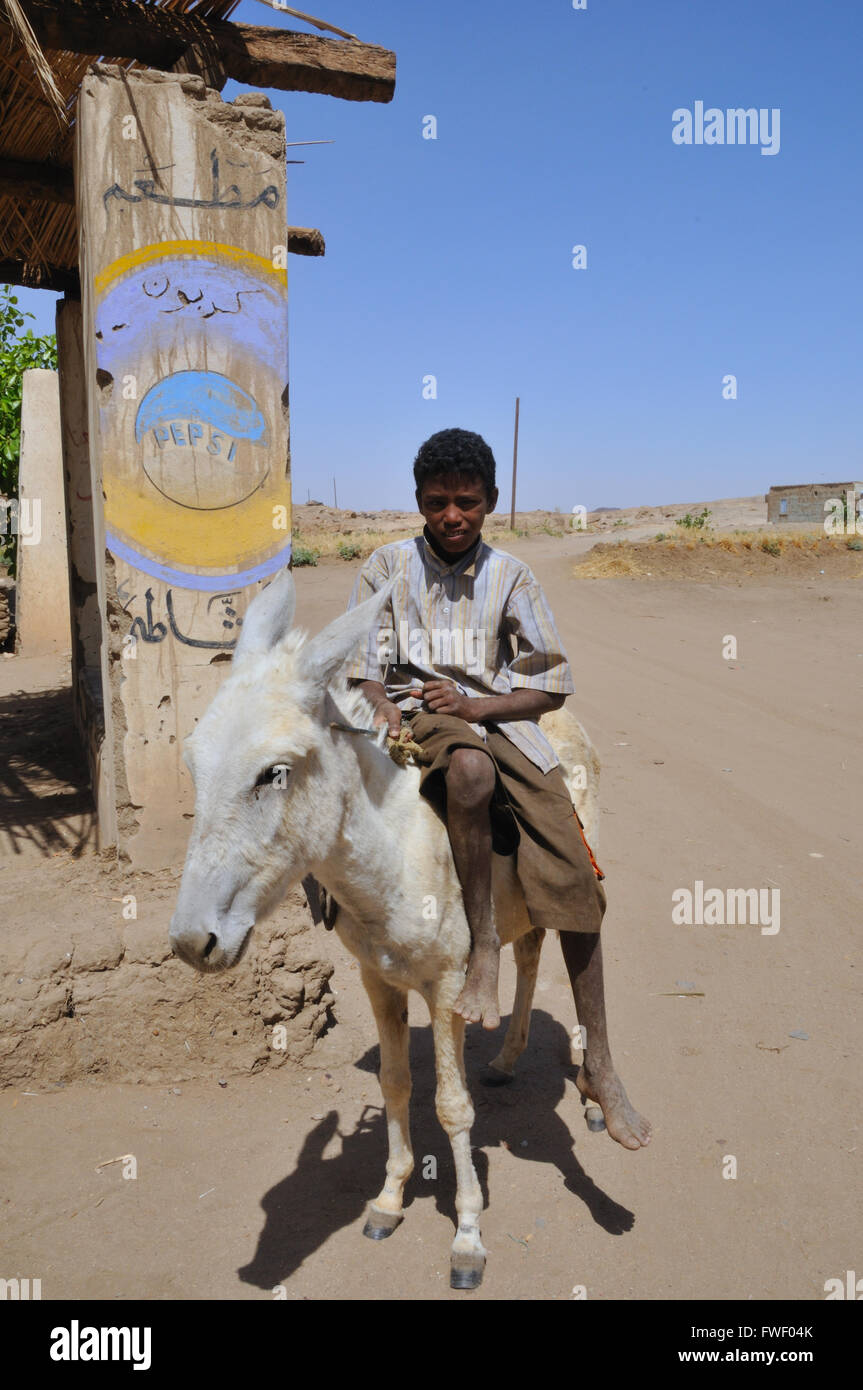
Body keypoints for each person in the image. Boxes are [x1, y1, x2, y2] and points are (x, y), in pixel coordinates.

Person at [344, 428, 650, 1149]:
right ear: (418, 500)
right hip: (417, 717)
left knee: (575, 878)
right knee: (422, 782)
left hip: (494, 717)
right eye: (437, 502)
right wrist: (387, 709)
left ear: (490, 502)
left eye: (467, 503)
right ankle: (484, 949)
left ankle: (599, 1063)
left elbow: (548, 683)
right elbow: (362, 666)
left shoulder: (512, 575)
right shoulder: (383, 567)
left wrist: (478, 705)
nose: (452, 515)